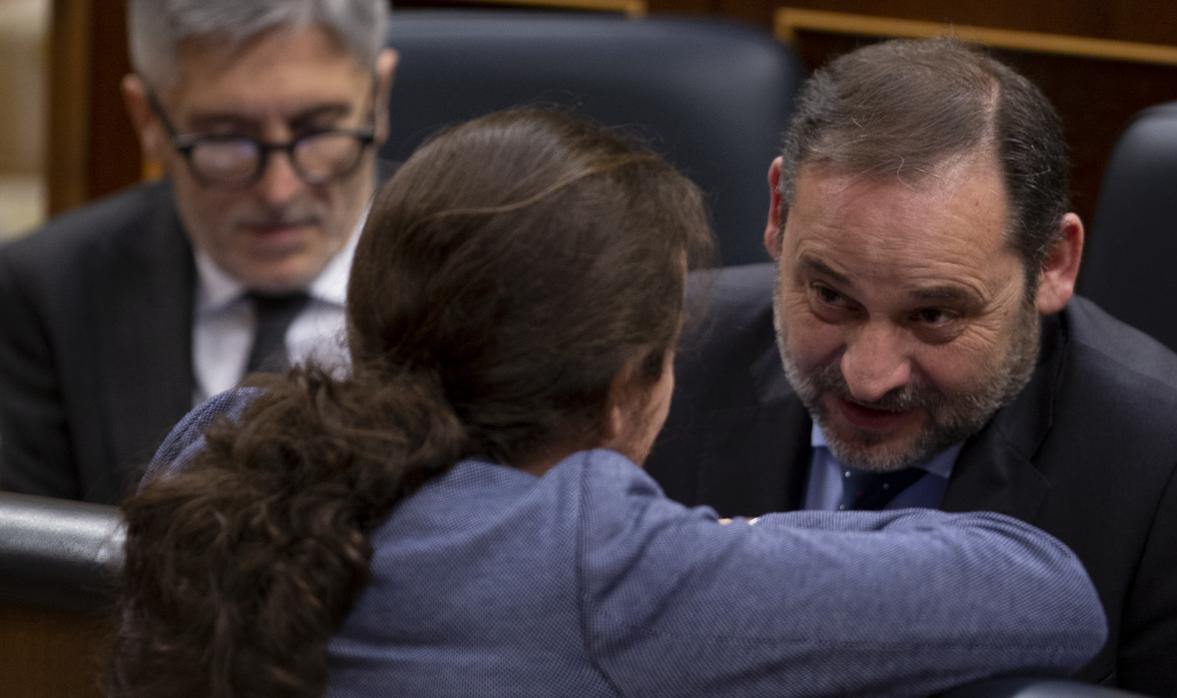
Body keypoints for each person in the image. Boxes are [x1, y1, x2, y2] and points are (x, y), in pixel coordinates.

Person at [112, 108, 1106, 697]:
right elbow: (1045, 588)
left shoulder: (217, 436)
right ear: (630, 385)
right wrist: (731, 537)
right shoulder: (596, 558)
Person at [645, 37, 1177, 696]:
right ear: (778, 215)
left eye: (933, 315)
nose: (867, 377)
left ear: (1051, 264)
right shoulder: (664, 348)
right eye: (830, 297)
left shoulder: (1175, 472)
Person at [0, 0, 397, 503]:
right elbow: (37, 570)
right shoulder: (47, 293)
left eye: (318, 130)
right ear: (147, 120)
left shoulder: (477, 273)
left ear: (378, 98)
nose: (279, 192)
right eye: (225, 139)